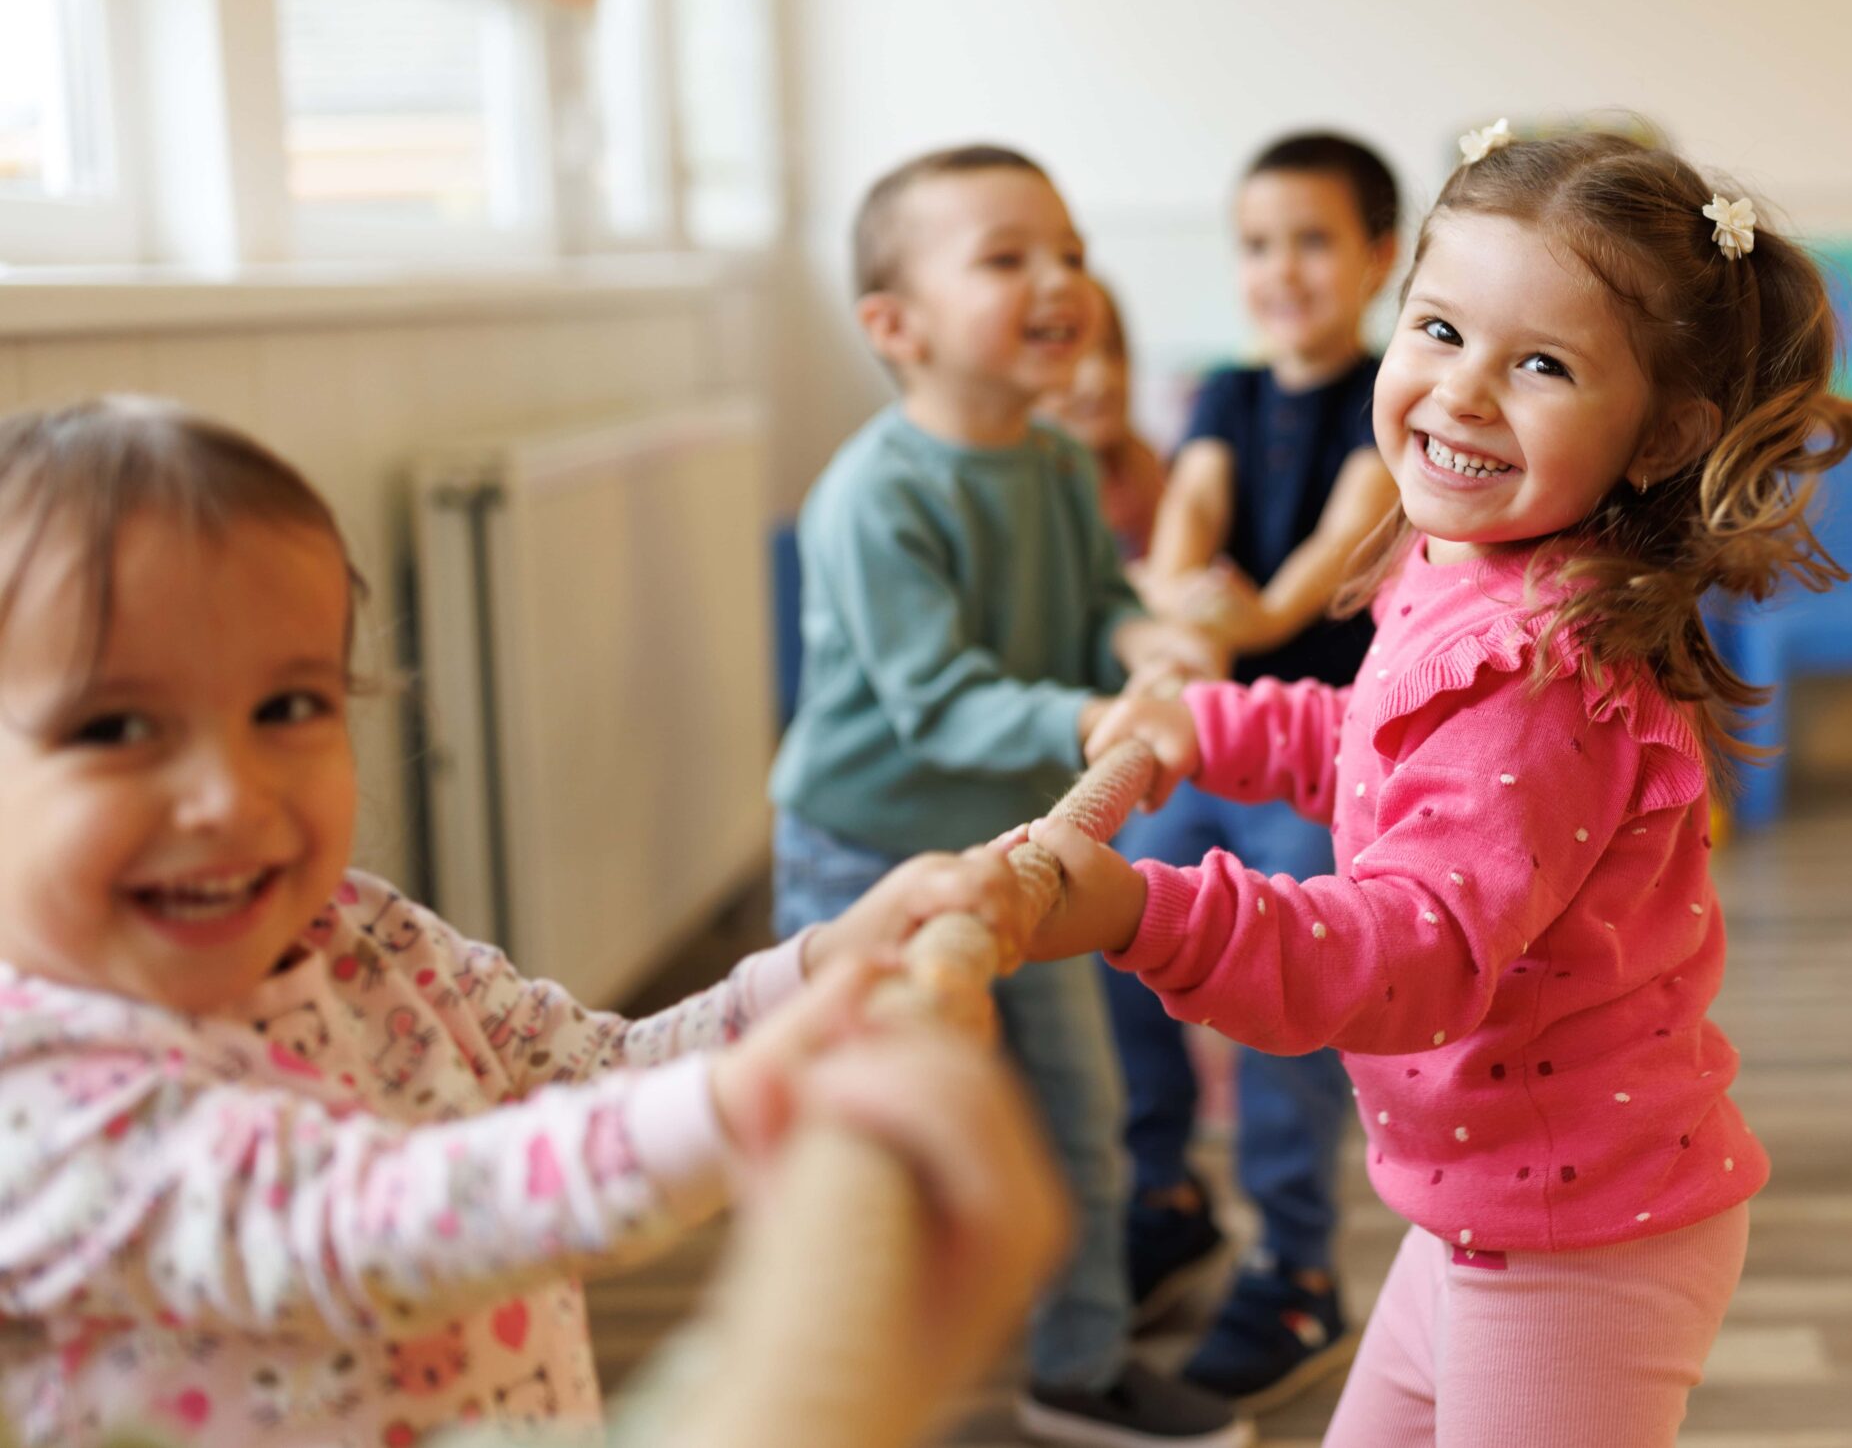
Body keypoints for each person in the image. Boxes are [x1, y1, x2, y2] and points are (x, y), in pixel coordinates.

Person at [1019, 127, 1852, 1445]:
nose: (1463, 391)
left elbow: (1411, 953)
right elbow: (1379, 745)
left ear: (1663, 433)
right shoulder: (1467, 564)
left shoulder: (1539, 668)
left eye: (1541, 363)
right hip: (1487, 1206)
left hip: (1576, 1247)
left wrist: (1146, 913)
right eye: (1439, 329)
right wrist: (1210, 726)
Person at [0, 396, 1044, 1448]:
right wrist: (743, 1103)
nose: (229, 796)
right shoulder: (32, 1089)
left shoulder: (367, 938)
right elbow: (354, 1225)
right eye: (116, 727)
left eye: (288, 708)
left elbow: (596, 1072)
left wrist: (822, 968)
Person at [767, 144, 1242, 1448]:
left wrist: (1140, 640)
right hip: (864, 857)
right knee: (872, 1134)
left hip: (1018, 850)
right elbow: (936, 698)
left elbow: (1093, 609)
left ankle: (1078, 1365)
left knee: (1079, 1113)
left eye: (1071, 252)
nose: (1059, 280)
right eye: (1006, 257)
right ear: (895, 325)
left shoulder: (1054, 464)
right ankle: (841, 1380)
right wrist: (1095, 716)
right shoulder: (874, 495)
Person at [1106, 132, 1402, 1408]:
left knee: (1287, 987)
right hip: (1216, 740)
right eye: (1257, 244)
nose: (1282, 269)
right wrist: (1179, 599)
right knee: (1117, 920)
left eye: (1313, 241)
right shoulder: (1224, 394)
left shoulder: (1394, 393)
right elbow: (1191, 509)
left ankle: (1294, 1265)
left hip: (1320, 762)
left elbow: (1336, 550)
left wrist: (1243, 616)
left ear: (1378, 257)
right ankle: (1165, 1195)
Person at [1036, 281, 1165, 566]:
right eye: (1072, 355)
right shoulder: (1027, 488)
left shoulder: (1147, 469)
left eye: (1112, 349)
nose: (1099, 379)